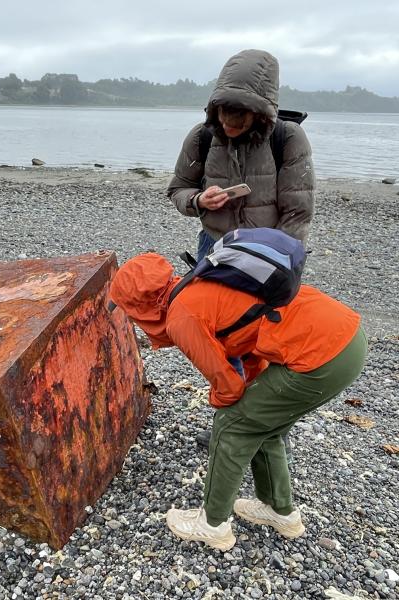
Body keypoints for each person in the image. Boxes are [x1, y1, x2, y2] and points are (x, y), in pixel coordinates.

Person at [108, 253, 367, 550]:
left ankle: (212, 524)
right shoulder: (199, 285)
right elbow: (249, 342)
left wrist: (228, 404)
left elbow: (226, 384)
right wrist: (247, 394)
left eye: (129, 312)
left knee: (232, 424)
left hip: (323, 355)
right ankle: (279, 510)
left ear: (141, 305)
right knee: (261, 424)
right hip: (344, 337)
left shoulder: (182, 316)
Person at [167, 48, 316, 449]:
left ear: (262, 113)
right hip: (214, 249)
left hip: (268, 259)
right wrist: (199, 201)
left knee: (263, 339)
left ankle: (263, 426)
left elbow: (298, 210)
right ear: (214, 108)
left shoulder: (287, 137)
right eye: (223, 115)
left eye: (241, 117)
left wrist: (287, 264)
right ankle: (230, 419)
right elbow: (177, 189)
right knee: (217, 340)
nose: (229, 125)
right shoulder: (201, 136)